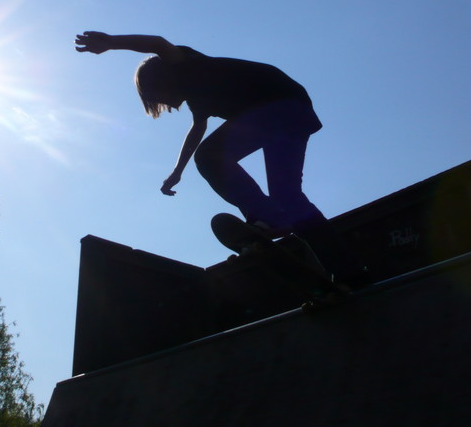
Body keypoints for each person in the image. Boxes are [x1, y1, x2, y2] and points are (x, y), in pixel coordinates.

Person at [75, 31, 366, 285]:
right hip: (292, 110)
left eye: (160, 97)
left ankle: (268, 218)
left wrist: (111, 43)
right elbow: (196, 131)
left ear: (163, 79)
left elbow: (158, 43)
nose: (166, 105)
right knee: (288, 196)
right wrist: (177, 172)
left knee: (211, 157)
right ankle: (348, 271)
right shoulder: (199, 98)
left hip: (274, 104)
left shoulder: (184, 66)